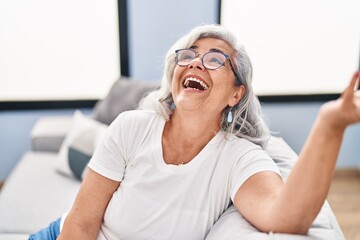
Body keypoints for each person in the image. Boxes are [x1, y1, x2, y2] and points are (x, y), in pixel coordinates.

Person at [29, 24, 360, 240]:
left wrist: (329, 125)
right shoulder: (131, 127)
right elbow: (81, 223)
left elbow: (287, 216)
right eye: (188, 56)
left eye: (216, 60)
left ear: (236, 94)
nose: (196, 64)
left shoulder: (238, 157)